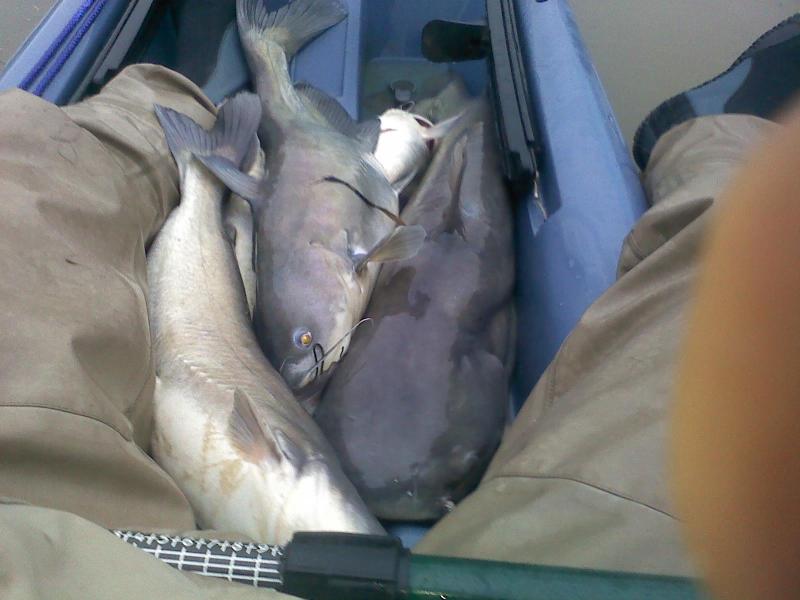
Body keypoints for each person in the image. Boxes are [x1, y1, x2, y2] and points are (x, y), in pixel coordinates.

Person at [0, 15, 798, 600]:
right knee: (728, 335)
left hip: (56, 538)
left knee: (25, 158)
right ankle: (713, 139)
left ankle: (162, 96)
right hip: (503, 570)